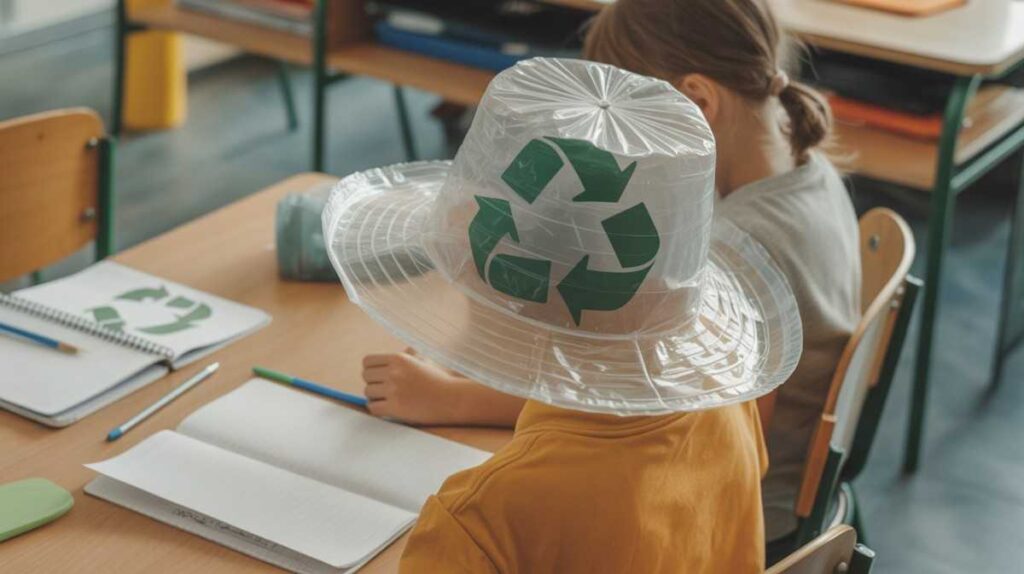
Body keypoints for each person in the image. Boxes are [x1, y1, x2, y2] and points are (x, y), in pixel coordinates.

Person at [361, 0, 861, 553]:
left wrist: (452, 399)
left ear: (697, 102)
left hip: (721, 508)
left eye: (624, 126)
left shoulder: (727, 253)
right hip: (727, 499)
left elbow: (642, 393)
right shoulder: (810, 173)